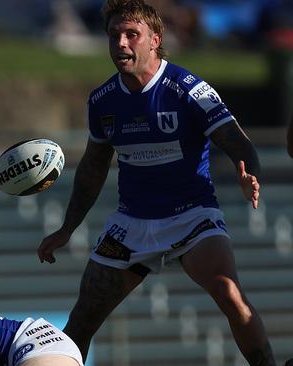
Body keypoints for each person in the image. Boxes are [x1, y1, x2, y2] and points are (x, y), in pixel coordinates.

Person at [36, 1, 275, 365]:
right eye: (114, 35)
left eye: (132, 34)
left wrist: (250, 174)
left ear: (155, 40)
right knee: (80, 322)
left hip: (192, 217)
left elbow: (236, 140)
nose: (121, 43)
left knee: (230, 294)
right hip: (131, 224)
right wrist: (68, 228)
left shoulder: (188, 89)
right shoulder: (103, 101)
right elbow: (92, 169)